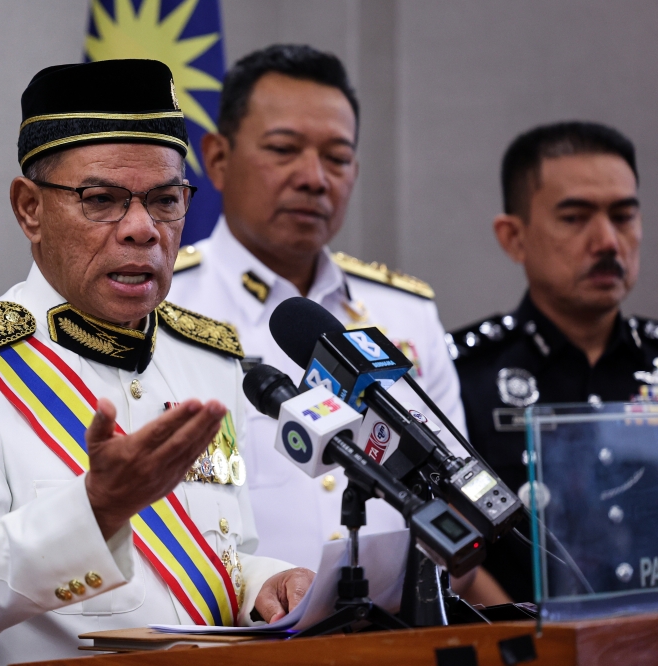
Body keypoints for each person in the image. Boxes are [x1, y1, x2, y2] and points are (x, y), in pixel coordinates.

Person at [0, 59, 315, 665]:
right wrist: (95, 509)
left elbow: (221, 554)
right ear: (29, 208)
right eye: (102, 199)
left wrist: (260, 584)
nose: (142, 229)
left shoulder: (208, 359)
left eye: (165, 200)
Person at [166, 45, 469, 571]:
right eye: (284, 149)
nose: (314, 178)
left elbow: (457, 508)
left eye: (337, 157)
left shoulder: (404, 315)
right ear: (216, 158)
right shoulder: (162, 306)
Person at [450, 121, 657, 602]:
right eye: (575, 217)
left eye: (623, 216)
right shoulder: (464, 375)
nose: (607, 241)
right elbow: (450, 551)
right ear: (513, 237)